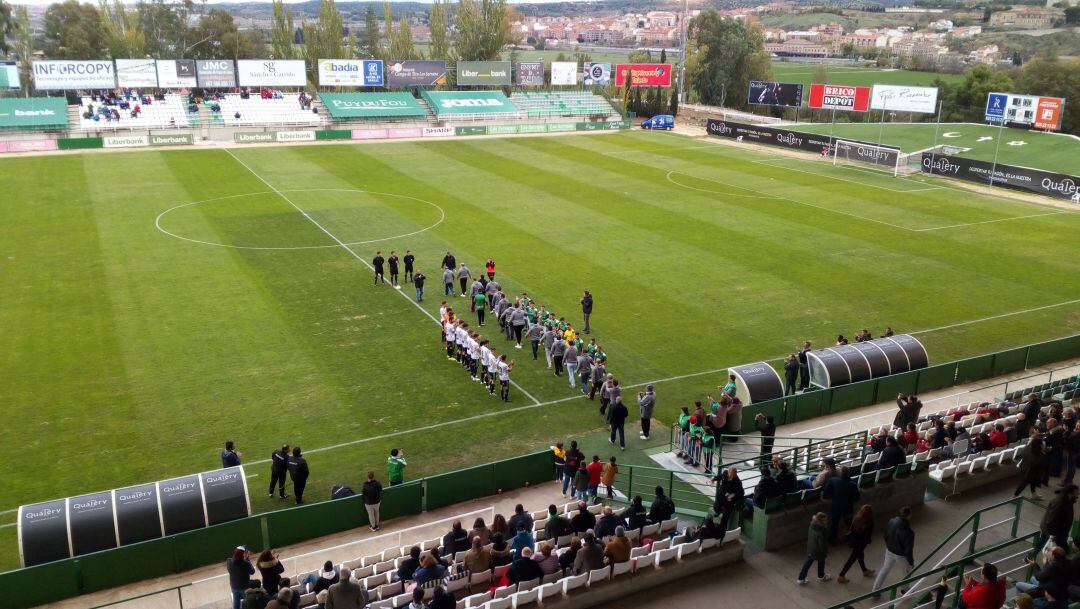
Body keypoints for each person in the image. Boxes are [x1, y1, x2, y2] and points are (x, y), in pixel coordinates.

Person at [871, 506, 916, 598]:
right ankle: (905, 590)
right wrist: (911, 562)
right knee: (906, 572)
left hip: (889, 550)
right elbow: (908, 549)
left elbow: (885, 535)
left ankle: (875, 591)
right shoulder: (909, 532)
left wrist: (889, 545)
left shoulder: (892, 521)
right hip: (900, 555)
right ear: (909, 516)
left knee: (885, 569)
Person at [837, 505, 875, 584]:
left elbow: (853, 530)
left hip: (856, 542)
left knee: (860, 555)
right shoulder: (867, 522)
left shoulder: (857, 518)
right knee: (852, 559)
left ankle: (864, 570)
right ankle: (841, 575)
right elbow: (866, 534)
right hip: (861, 543)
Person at [823, 467, 861, 545]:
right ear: (848, 474)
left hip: (836, 507)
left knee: (834, 525)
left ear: (840, 473)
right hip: (848, 508)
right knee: (849, 524)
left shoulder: (833, 480)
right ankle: (850, 539)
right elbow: (857, 498)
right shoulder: (853, 485)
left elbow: (825, 494)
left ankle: (832, 540)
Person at [797, 512, 831, 584]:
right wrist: (825, 551)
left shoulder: (812, 525)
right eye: (825, 520)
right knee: (820, 562)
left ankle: (801, 578)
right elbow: (822, 544)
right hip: (818, 550)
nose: (826, 521)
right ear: (821, 520)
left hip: (811, 547)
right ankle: (821, 576)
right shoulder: (821, 531)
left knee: (808, 562)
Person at [1039, 485, 1077, 550]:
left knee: (1041, 544)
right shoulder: (1059, 503)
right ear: (1070, 493)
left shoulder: (1068, 501)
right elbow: (1051, 519)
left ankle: (1030, 557)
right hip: (1054, 532)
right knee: (1043, 545)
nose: (1077, 495)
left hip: (1057, 532)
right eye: (1076, 493)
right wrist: (1052, 534)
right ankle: (1031, 556)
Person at [1015, 431, 1047, 500]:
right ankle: (1014, 496)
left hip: (1025, 468)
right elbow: (1038, 464)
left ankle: (1034, 494)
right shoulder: (1039, 455)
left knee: (1032, 482)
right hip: (1030, 471)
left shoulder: (1027, 447)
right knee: (1024, 483)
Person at [714, 467, 744, 533]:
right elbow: (720, 476)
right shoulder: (725, 473)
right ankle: (718, 511)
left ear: (736, 474)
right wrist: (713, 479)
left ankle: (722, 529)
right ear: (728, 472)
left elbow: (741, 493)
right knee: (715, 507)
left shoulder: (738, 482)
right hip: (721, 496)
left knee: (725, 515)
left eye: (734, 474)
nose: (731, 475)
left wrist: (732, 496)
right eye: (730, 473)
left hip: (728, 501)